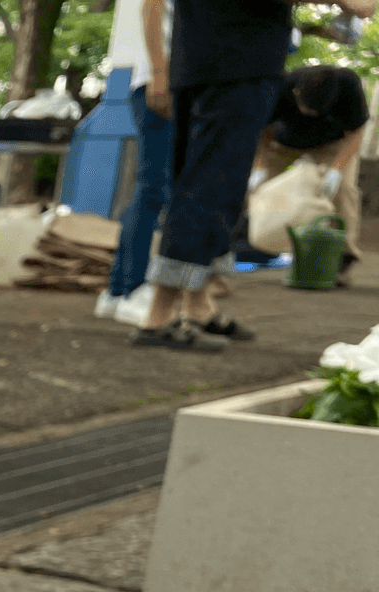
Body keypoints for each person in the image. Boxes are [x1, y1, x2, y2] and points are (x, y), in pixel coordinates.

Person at [131, 0, 374, 350]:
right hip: (238, 66)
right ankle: (158, 317)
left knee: (204, 185)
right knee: (208, 190)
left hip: (197, 61)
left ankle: (198, 307)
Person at [98, 0, 175, 324]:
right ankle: (133, 287)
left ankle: (118, 290)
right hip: (160, 77)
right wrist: (159, 73)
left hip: (158, 75)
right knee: (155, 186)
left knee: (153, 185)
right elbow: (152, 6)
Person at [255, 64, 369, 277]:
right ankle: (255, 244)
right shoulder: (281, 85)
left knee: (344, 191)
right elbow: (263, 130)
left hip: (332, 145)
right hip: (284, 145)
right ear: (296, 93)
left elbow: (356, 131)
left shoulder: (348, 85)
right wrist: (259, 167)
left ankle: (343, 256)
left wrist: (337, 170)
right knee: (257, 188)